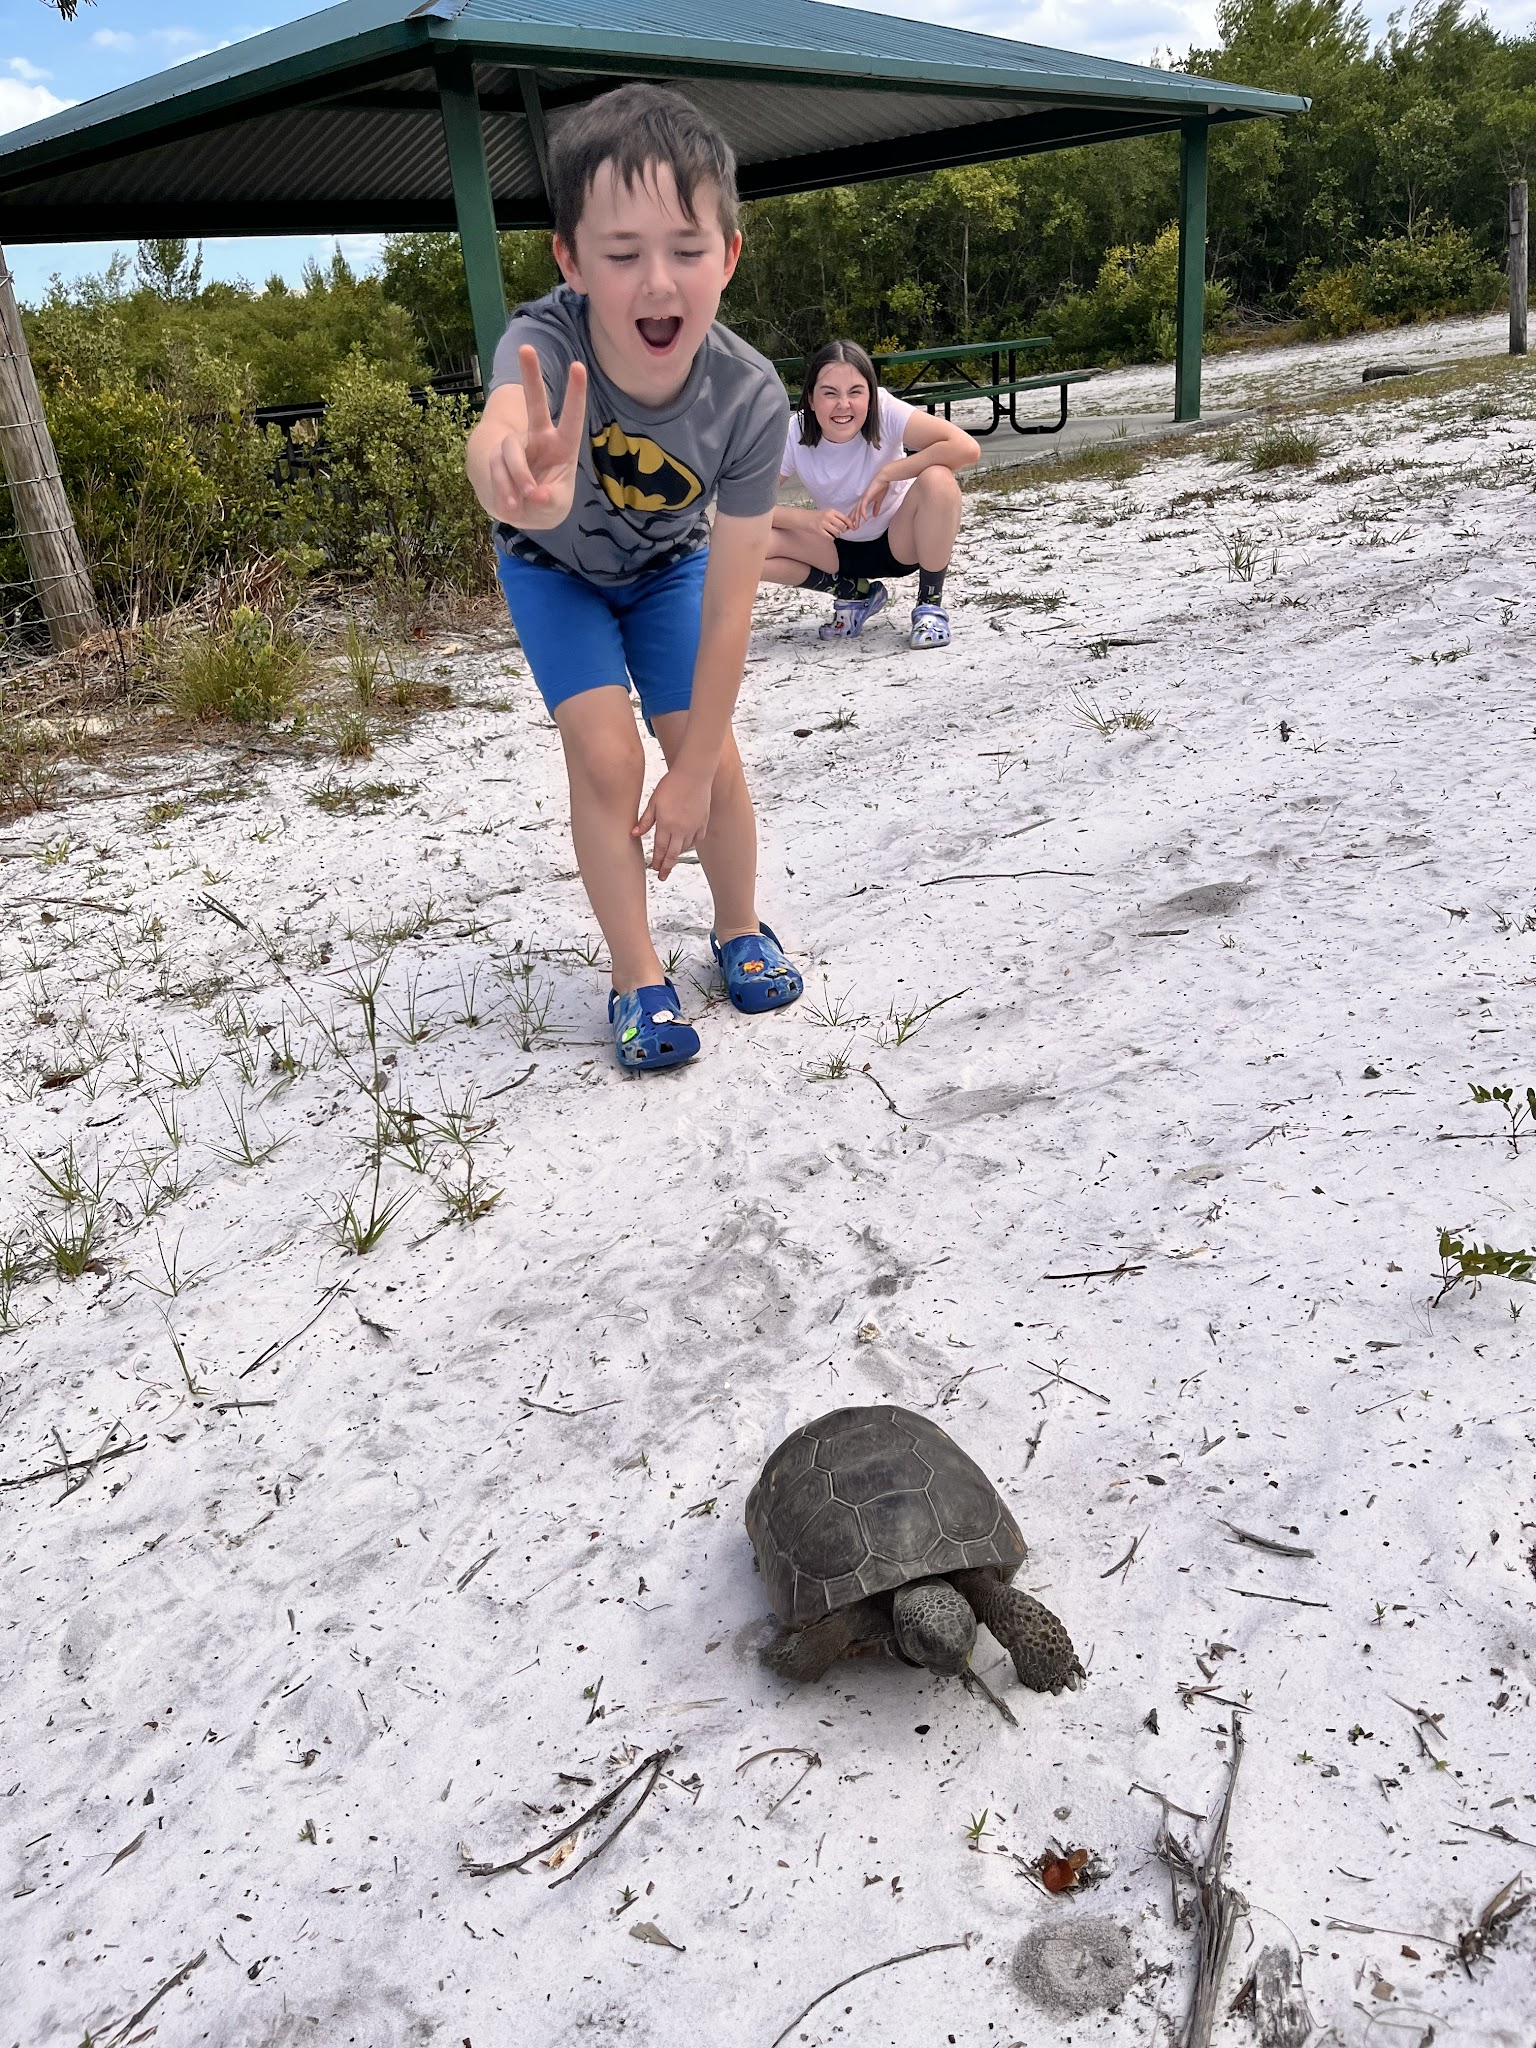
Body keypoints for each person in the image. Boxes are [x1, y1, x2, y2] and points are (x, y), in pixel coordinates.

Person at [464, 84, 802, 1073]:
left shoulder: (749, 397)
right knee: (608, 759)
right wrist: (513, 475)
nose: (657, 281)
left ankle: (739, 924)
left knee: (711, 747)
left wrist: (691, 776)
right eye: (621, 254)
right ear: (570, 259)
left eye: (687, 249)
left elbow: (737, 589)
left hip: (670, 570)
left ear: (729, 255)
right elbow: (493, 437)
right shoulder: (542, 342)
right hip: (550, 570)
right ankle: (635, 971)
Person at [764, 339, 979, 648]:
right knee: (741, 543)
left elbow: (966, 448)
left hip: (898, 541)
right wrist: (806, 519)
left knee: (938, 479)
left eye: (855, 392)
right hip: (835, 548)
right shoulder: (795, 431)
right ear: (810, 398)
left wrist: (889, 473)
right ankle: (853, 592)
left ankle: (930, 606)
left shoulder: (886, 410)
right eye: (829, 393)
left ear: (871, 395)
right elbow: (745, 507)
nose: (843, 404)